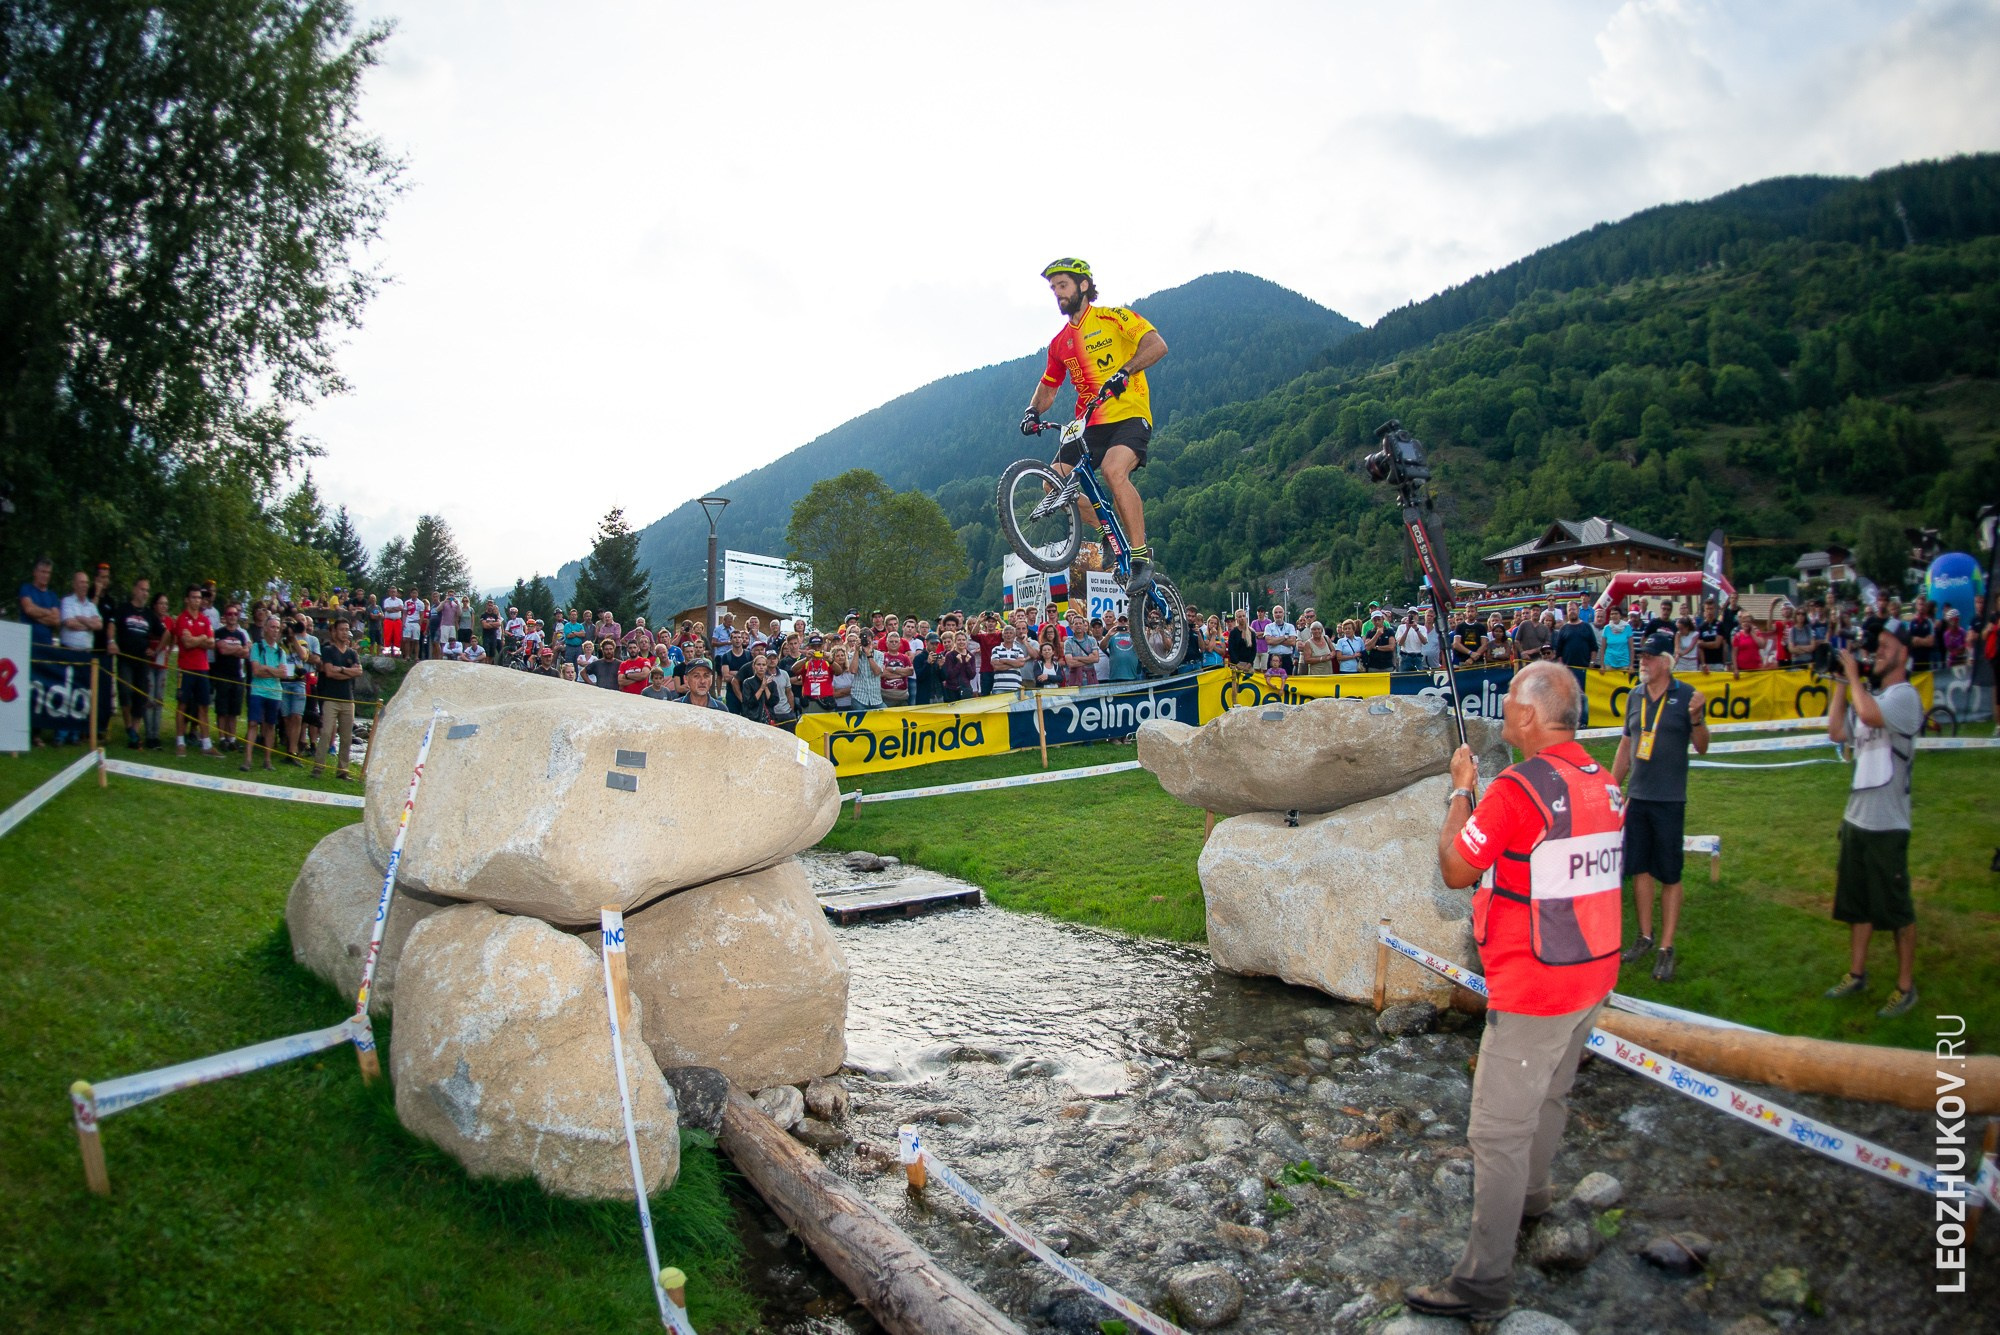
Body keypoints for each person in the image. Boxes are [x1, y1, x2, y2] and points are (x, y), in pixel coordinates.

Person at [1404, 663, 1622, 1322]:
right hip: (1593, 974)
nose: (1500, 717)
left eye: (1508, 707)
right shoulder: (1604, 781)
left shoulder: (1519, 788)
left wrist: (1460, 791)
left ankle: (1483, 1281)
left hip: (1537, 985)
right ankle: (1532, 1197)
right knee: (1551, 1092)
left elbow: (1454, 866)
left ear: (1531, 717)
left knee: (1495, 1130)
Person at [1019, 258, 1169, 594]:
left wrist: (1125, 371)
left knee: (1114, 473)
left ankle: (1141, 555)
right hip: (1088, 423)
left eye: (1063, 285)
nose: (1058, 294)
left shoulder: (1114, 317)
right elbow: (1049, 385)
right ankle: (1107, 529)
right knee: (1052, 483)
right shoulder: (1059, 343)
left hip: (1128, 413)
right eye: (1053, 288)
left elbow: (1157, 345)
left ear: (1083, 285)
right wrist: (1032, 411)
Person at [1823, 627, 1924, 1017]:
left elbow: (1866, 713)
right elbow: (1837, 731)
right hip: (1857, 820)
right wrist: (1838, 683)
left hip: (1888, 824)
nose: (1877, 653)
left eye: (1885, 647)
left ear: (1905, 654)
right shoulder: (1874, 695)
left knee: (1897, 909)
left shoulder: (1905, 697)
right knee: (1857, 905)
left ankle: (1905, 986)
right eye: (1875, 648)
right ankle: (1857, 973)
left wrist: (1852, 678)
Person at [1610, 632, 1709, 982]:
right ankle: (1645, 937)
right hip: (1638, 797)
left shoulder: (1687, 697)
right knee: (1640, 870)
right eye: (1642, 656)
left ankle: (1666, 947)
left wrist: (1697, 718)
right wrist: (1612, 785)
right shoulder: (1635, 695)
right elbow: (1626, 744)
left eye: (1650, 657)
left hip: (1669, 799)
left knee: (1670, 873)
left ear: (1667, 662)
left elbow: (1702, 747)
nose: (1643, 662)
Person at [313, 617, 363, 780]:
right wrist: (348, 671)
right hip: (330, 698)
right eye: (341, 629)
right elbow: (328, 672)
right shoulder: (328, 650)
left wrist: (340, 670)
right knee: (326, 732)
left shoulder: (352, 653)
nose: (344, 633)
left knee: (347, 736)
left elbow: (358, 671)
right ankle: (318, 767)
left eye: (346, 629)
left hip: (348, 698)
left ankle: (343, 770)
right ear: (334, 632)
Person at [211, 603, 251, 753]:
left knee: (234, 710)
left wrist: (231, 649)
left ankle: (232, 739)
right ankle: (222, 738)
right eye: (229, 614)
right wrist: (238, 649)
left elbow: (246, 653)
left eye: (235, 614)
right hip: (222, 675)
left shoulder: (241, 634)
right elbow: (221, 649)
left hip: (237, 675)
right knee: (222, 709)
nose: (233, 616)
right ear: (225, 616)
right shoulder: (219, 632)